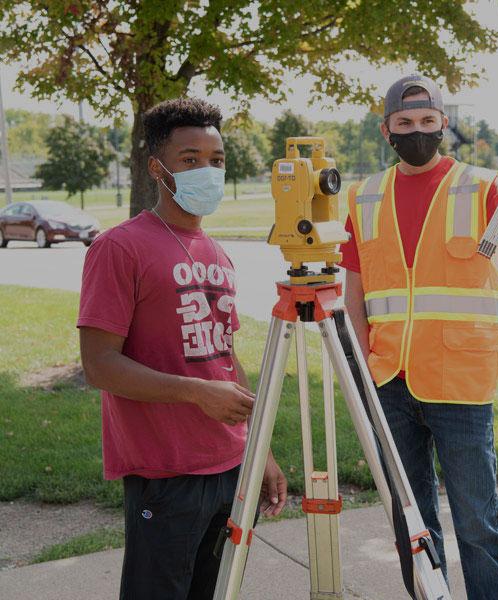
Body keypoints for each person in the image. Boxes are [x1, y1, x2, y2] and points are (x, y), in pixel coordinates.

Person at [341, 74, 498, 600]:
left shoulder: (481, 187)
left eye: (428, 122)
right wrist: (364, 364)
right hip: (389, 379)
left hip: (460, 381)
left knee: (479, 525)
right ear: (387, 130)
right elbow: (355, 293)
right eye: (405, 123)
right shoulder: (364, 197)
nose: (418, 131)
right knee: (411, 529)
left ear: (444, 125)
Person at [78, 97, 287, 600]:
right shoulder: (119, 247)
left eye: (216, 161)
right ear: (158, 168)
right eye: (190, 160)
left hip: (228, 464)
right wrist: (195, 393)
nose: (207, 172)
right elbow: (99, 364)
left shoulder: (216, 251)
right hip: (165, 470)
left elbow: (223, 353)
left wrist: (260, 449)